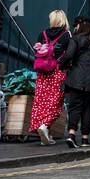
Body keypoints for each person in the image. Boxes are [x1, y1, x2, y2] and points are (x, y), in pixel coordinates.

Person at [29, 10, 74, 145]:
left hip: (42, 72)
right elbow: (69, 54)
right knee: (56, 101)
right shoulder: (67, 35)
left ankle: (44, 133)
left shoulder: (42, 34)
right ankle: (45, 125)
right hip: (57, 71)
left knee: (41, 100)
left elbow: (37, 52)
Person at [62, 19, 90, 148]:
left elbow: (69, 55)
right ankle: (85, 139)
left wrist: (62, 66)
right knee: (89, 109)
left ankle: (71, 135)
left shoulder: (76, 38)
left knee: (75, 107)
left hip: (76, 78)